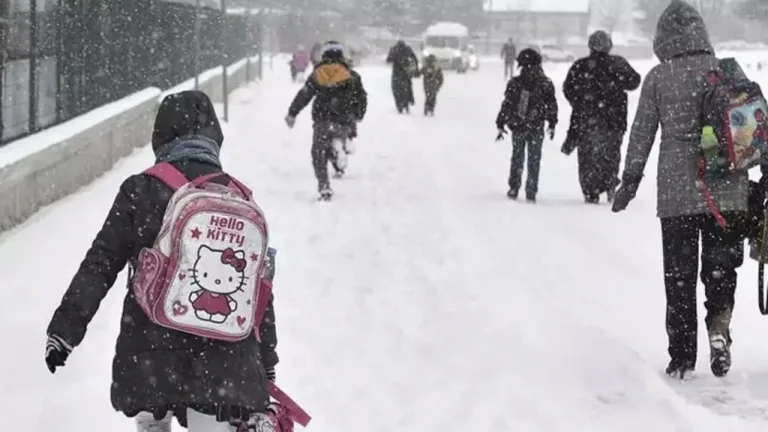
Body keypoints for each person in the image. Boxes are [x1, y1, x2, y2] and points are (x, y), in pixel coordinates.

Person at [44, 90, 280, 431]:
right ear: (215, 137)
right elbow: (259, 292)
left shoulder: (140, 190)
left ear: (161, 136)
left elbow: (100, 263)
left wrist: (64, 332)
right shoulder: (238, 198)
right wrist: (265, 362)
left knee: (153, 422)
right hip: (225, 362)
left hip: (150, 352)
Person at [612, 0, 747, 379]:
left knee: (680, 277)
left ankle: (682, 356)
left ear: (663, 38)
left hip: (677, 193)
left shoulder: (659, 77)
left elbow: (641, 135)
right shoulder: (724, 72)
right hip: (728, 190)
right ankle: (719, 330)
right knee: (720, 270)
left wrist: (629, 181)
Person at [563, 30, 641, 204]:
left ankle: (591, 190)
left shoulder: (580, 66)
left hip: (586, 121)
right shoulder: (618, 63)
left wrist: (581, 102)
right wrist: (617, 82)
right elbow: (634, 81)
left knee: (587, 157)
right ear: (609, 45)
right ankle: (609, 183)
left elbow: (568, 88)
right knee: (611, 154)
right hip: (614, 120)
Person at [285, 41, 368, 201]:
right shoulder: (352, 76)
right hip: (344, 119)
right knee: (340, 137)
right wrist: (358, 114)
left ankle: (324, 186)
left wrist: (292, 113)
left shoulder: (318, 74)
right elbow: (361, 98)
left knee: (318, 152)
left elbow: (304, 95)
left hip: (322, 119)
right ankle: (343, 147)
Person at [495, 48, 558, 203]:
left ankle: (514, 187)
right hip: (536, 125)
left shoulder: (515, 83)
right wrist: (552, 122)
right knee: (534, 159)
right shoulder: (545, 83)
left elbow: (507, 104)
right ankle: (531, 189)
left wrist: (501, 122)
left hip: (518, 125)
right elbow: (551, 104)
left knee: (517, 157)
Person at [386, 40, 419, 114]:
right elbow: (414, 58)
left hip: (397, 72)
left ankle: (400, 105)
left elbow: (388, 60)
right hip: (405, 72)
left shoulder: (394, 49)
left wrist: (394, 59)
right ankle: (407, 102)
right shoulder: (407, 49)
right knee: (407, 88)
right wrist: (416, 68)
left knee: (396, 89)